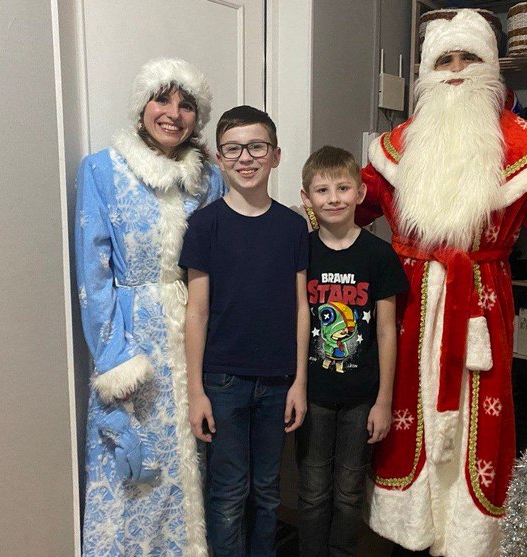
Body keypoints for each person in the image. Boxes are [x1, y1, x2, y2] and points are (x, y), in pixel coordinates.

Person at [356, 9, 527, 557]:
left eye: (468, 58)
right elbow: (352, 204)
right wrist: (295, 232)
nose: (455, 70)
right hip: (406, 306)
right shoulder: (395, 147)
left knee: (478, 418)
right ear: (427, 73)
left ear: (491, 67)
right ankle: (409, 531)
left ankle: (466, 539)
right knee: (406, 416)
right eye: (444, 60)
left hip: (480, 300)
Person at [75, 58, 225, 556]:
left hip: (196, 332)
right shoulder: (102, 170)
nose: (173, 114)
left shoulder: (210, 180)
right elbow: (93, 275)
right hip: (134, 338)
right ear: (142, 105)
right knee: (137, 472)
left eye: (186, 105)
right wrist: (115, 358)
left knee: (197, 462)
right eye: (162, 99)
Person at [180, 105, 310, 557]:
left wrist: (299, 382)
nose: (246, 158)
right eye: (234, 149)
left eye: (257, 147)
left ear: (275, 155)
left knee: (268, 491)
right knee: (228, 492)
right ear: (220, 159)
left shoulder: (293, 226)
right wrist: (196, 391)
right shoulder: (204, 225)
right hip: (223, 381)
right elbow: (196, 313)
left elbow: (301, 307)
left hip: (277, 382)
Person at [296, 146, 408, 557]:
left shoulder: (379, 255)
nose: (333, 198)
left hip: (362, 398)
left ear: (360, 193)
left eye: (343, 188)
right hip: (313, 395)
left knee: (348, 491)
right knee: (312, 491)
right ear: (307, 198)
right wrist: (296, 386)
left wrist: (384, 401)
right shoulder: (302, 251)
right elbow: (296, 319)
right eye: (322, 190)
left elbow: (386, 330)